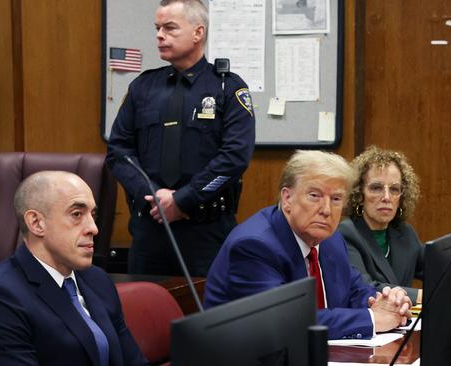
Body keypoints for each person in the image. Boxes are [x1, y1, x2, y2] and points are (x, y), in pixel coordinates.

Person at [106, 0, 255, 277]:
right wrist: (154, 196)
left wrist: (183, 200)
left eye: (170, 28)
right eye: (157, 28)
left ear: (198, 33)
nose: (160, 35)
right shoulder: (143, 87)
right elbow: (119, 151)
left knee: (208, 317)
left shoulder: (227, 88)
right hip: (150, 229)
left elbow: (235, 156)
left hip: (206, 231)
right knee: (144, 313)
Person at [204, 150, 411, 340]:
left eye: (336, 198)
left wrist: (385, 304)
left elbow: (354, 290)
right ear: (287, 198)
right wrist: (372, 319)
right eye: (315, 196)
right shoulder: (254, 246)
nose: (326, 210)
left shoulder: (331, 239)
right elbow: (286, 322)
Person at [0, 171, 147, 366]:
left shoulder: (96, 279)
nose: (93, 228)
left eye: (92, 215)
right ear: (36, 223)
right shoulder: (0, 300)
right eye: (77, 214)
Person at [338, 146, 425, 304]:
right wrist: (419, 296)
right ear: (359, 194)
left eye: (394, 189)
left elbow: (437, 271)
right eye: (376, 188)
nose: (386, 197)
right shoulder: (346, 233)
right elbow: (365, 288)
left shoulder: (405, 233)